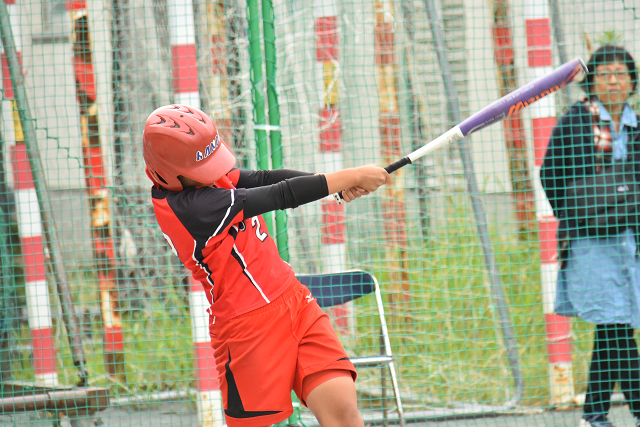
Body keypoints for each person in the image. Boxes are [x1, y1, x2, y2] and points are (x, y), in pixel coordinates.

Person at [143, 104, 391, 427]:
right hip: (247, 331)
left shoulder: (202, 180)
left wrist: (335, 189)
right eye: (203, 165)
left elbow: (264, 178)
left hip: (294, 302)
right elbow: (279, 195)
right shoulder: (191, 209)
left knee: (343, 411)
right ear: (168, 172)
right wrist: (355, 175)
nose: (215, 171)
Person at [541, 45, 640, 427]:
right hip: (590, 240)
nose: (613, 80)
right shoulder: (576, 122)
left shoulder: (636, 126)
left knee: (614, 324)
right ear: (592, 81)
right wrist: (579, 213)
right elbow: (551, 173)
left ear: (631, 80)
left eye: (621, 73)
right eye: (604, 73)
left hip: (629, 241)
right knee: (615, 323)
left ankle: (595, 415)